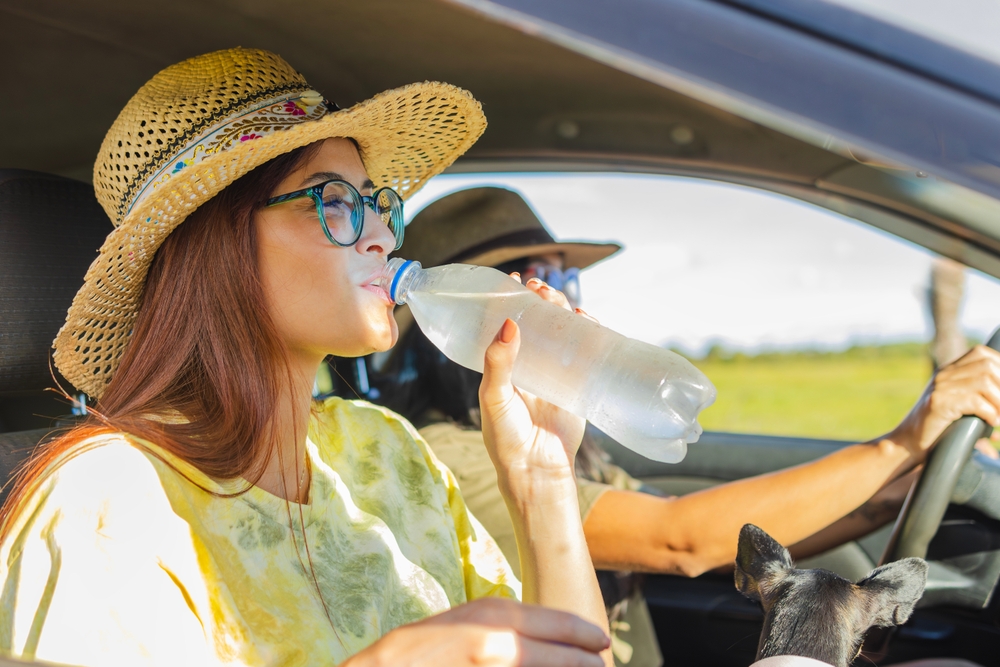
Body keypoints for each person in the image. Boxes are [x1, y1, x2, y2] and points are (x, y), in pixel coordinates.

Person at [0, 49, 613, 667]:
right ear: (217, 245)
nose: (382, 234)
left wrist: (543, 482)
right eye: (335, 201)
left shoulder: (388, 453)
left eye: (375, 203)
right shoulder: (108, 499)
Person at [370, 186, 1000, 667]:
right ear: (457, 316)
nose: (554, 297)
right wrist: (898, 442)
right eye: (530, 275)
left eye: (564, 275)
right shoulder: (454, 456)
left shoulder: (553, 435)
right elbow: (680, 541)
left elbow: (718, 536)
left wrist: (897, 488)